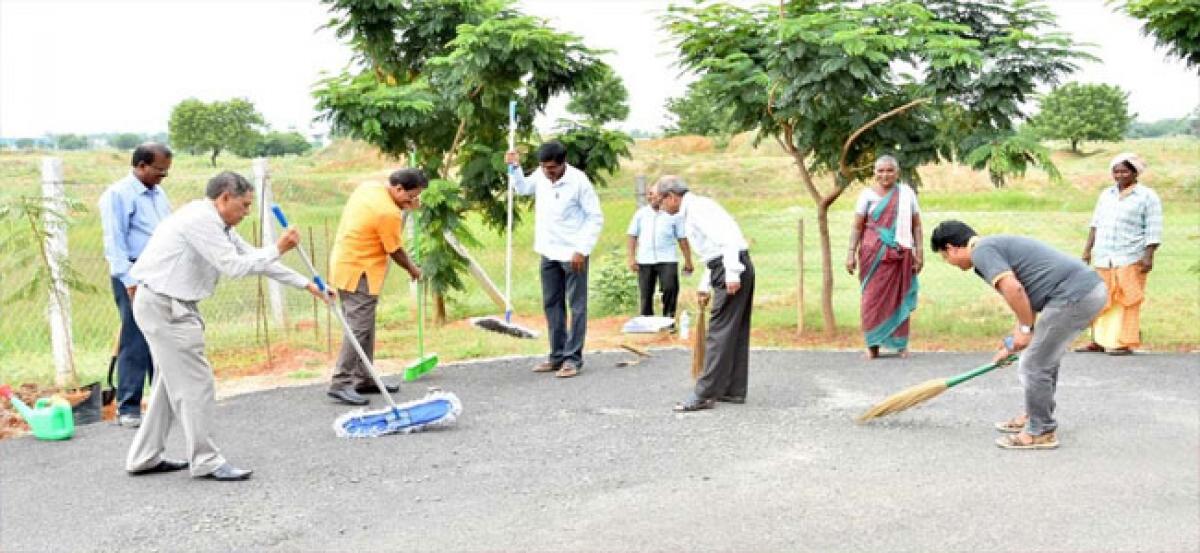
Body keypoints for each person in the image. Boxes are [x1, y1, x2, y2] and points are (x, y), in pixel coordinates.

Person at [125, 171, 331, 481]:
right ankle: (206, 460)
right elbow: (234, 267)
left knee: (169, 386)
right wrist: (279, 247)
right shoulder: (201, 221)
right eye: (244, 205)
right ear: (224, 198)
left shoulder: (218, 222)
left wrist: (307, 285)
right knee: (196, 385)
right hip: (166, 307)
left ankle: (144, 457)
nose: (247, 213)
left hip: (166, 304)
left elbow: (253, 257)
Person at [930, 220, 1106, 450]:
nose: (949, 262)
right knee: (1043, 358)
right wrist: (1013, 343)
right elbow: (1025, 300)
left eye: (945, 257)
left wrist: (1025, 329)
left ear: (951, 247)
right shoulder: (989, 248)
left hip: (1075, 295)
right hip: (1083, 292)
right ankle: (1035, 416)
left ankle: (1041, 431)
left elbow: (1015, 290)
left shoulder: (982, 251)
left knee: (1035, 363)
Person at [326, 169, 426, 406]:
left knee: (365, 326)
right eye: (411, 196)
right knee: (358, 328)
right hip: (359, 272)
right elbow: (395, 250)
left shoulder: (369, 188)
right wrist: (413, 269)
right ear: (398, 188)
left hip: (346, 263)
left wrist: (407, 206)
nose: (413, 201)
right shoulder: (388, 212)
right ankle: (341, 382)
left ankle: (364, 378)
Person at [505, 141, 604, 379]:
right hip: (548, 250)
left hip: (573, 254)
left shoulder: (579, 181)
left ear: (563, 163)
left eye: (552, 168)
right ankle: (556, 355)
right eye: (544, 167)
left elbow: (595, 217)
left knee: (576, 306)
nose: (548, 172)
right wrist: (515, 167)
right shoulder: (540, 175)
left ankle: (573, 359)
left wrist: (582, 249)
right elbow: (523, 189)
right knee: (552, 304)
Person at [657, 176, 755, 412]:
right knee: (734, 331)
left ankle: (704, 393)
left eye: (661, 201)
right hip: (727, 267)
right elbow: (713, 254)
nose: (661, 206)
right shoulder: (696, 208)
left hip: (732, 267)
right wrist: (706, 283)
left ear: (672, 196)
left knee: (719, 332)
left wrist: (731, 273)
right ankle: (732, 388)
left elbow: (728, 240)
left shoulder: (698, 210)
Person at [98, 143, 173, 428]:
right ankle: (128, 407)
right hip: (133, 273)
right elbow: (114, 243)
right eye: (158, 171)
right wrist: (129, 281)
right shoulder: (118, 195)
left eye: (165, 173)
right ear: (141, 165)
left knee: (161, 336)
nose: (162, 177)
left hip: (160, 273)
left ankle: (160, 402)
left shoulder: (158, 193)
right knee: (135, 338)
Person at [1077, 153, 1162, 356]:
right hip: (1104, 255)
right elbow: (1095, 224)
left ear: (1135, 173)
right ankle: (1097, 341)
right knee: (1100, 297)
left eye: (1125, 171)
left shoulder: (1147, 196)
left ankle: (1122, 342)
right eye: (1116, 171)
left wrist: (1149, 255)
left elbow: (1153, 229)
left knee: (1127, 299)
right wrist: (1087, 250)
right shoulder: (1106, 194)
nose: (1120, 175)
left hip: (1130, 255)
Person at [846, 155, 923, 359]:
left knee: (899, 295)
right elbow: (857, 226)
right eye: (880, 171)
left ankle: (900, 344)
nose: (885, 175)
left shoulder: (906, 195)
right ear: (874, 173)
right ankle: (872, 345)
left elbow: (916, 225)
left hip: (900, 254)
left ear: (897, 173)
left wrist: (919, 252)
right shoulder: (866, 195)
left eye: (889, 170)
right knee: (871, 299)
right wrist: (850, 253)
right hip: (872, 255)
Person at [626, 181, 694, 318]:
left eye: (653, 194)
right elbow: (632, 236)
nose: (650, 197)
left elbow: (682, 239)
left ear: (661, 196)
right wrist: (631, 258)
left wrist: (688, 260)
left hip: (667, 258)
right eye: (648, 194)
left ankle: (669, 319)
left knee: (670, 289)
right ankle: (646, 321)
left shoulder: (674, 214)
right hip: (645, 259)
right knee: (646, 293)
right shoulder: (641, 214)